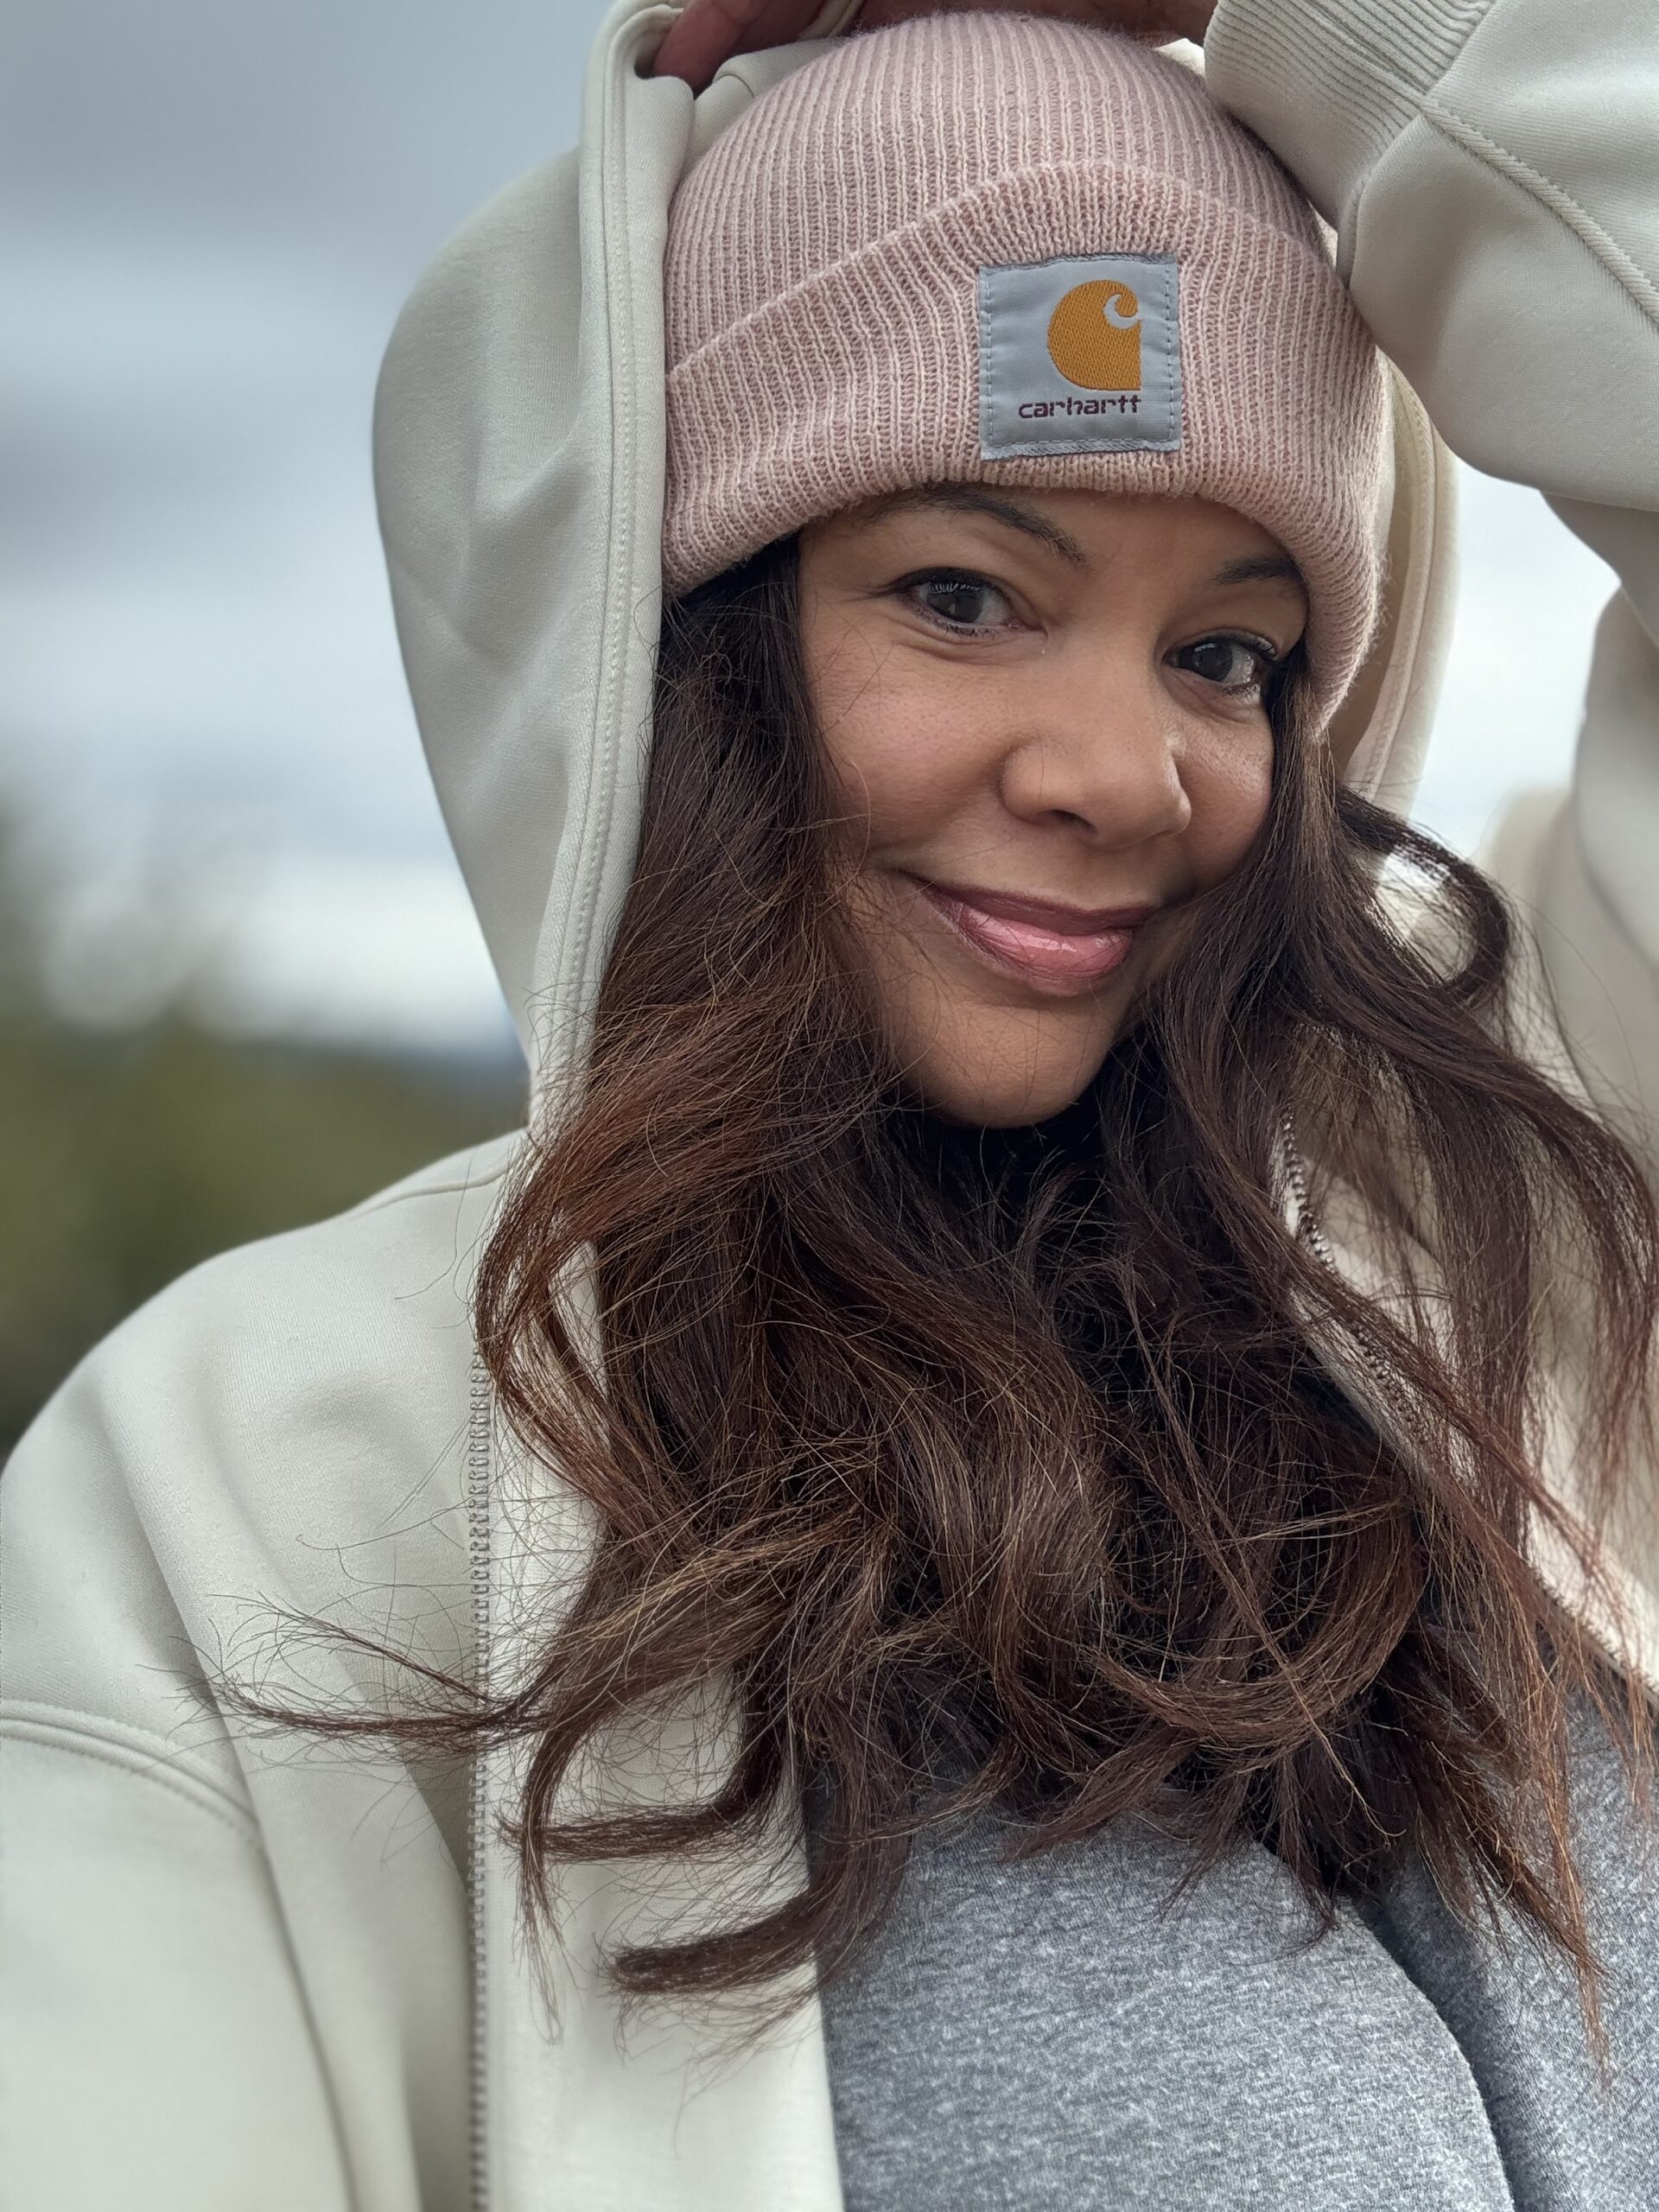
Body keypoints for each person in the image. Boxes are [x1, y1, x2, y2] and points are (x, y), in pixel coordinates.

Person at [4, 0, 1658, 2205]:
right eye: (965, 595)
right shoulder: (263, 1489)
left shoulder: (1511, 1223)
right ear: (693, 641)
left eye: (1226, 650)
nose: (1118, 772)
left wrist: (1360, 21)